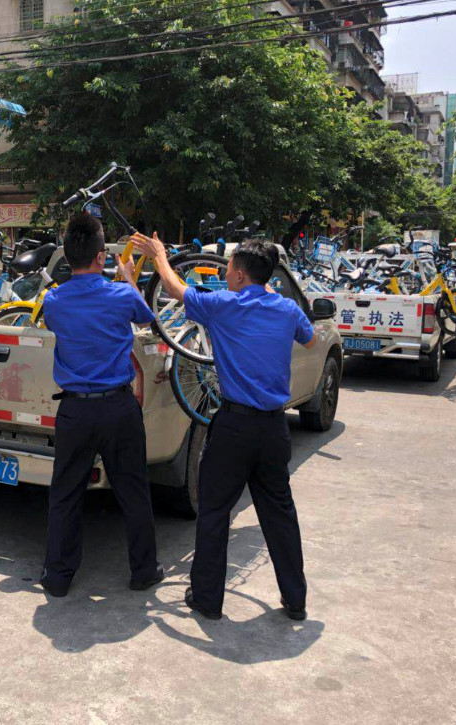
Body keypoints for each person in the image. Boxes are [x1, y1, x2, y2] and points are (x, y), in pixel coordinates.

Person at [133, 232, 316, 621]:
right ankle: (296, 599)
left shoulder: (224, 306)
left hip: (235, 426)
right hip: (274, 428)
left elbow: (174, 288)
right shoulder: (286, 309)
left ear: (240, 275)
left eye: (229, 268)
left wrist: (160, 255)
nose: (225, 273)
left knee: (215, 511)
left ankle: (207, 599)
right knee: (280, 513)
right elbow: (311, 339)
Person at [38, 214, 163, 598]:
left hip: (74, 410)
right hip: (118, 408)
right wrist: (127, 278)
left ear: (68, 256)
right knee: (133, 491)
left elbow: (57, 322)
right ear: (100, 257)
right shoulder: (121, 295)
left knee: (65, 493)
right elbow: (148, 318)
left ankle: (58, 577)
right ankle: (143, 571)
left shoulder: (53, 300)